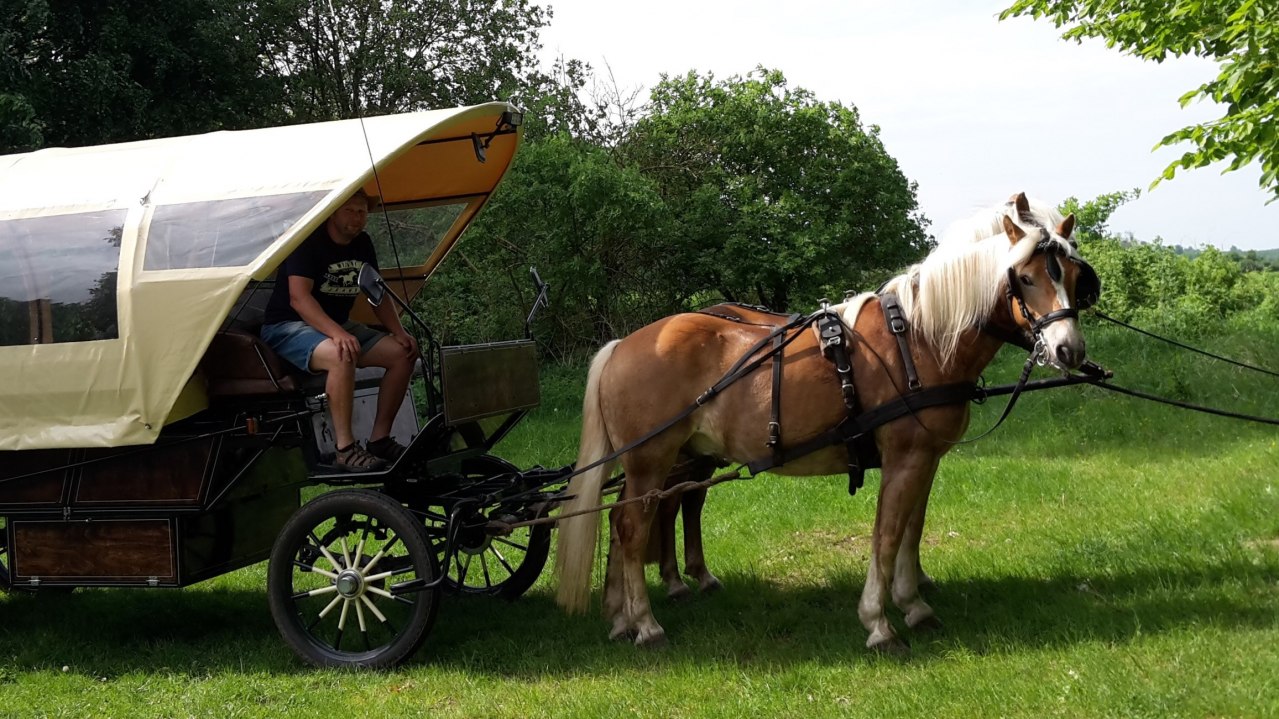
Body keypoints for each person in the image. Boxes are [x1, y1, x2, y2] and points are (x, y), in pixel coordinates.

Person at [260, 189, 418, 472]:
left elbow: (376, 293)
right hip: (287, 326)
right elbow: (299, 298)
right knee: (340, 353)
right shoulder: (307, 240)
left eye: (362, 212)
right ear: (332, 212)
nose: (357, 219)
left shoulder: (363, 243)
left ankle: (379, 439)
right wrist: (337, 333)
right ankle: (345, 448)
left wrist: (399, 331)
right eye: (350, 211)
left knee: (401, 354)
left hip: (335, 324)